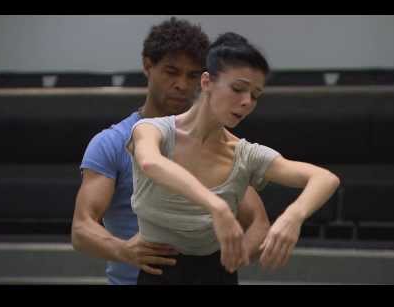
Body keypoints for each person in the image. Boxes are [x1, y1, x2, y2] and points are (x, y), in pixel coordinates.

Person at [126, 32, 341, 285]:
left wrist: (293, 216)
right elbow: (151, 162)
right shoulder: (153, 129)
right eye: (238, 89)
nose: (247, 102)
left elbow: (325, 178)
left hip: (215, 273)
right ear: (206, 82)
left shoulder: (245, 153)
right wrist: (217, 207)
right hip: (157, 272)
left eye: (255, 95)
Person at [71, 18, 271, 285]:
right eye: (171, 71)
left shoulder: (215, 144)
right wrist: (124, 251)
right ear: (147, 66)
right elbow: (82, 229)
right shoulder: (112, 142)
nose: (181, 84)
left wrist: (233, 256)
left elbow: (259, 222)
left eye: (191, 75)